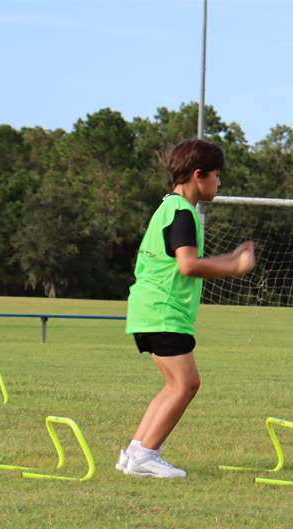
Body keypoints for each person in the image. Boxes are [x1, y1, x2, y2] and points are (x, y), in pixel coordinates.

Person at [117, 138, 256, 478]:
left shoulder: (168, 208)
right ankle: (144, 457)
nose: (219, 183)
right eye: (217, 175)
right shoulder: (183, 213)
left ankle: (135, 452)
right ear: (198, 175)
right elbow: (188, 266)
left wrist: (231, 259)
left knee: (173, 384)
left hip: (147, 310)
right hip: (164, 311)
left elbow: (184, 260)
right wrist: (235, 268)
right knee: (186, 384)